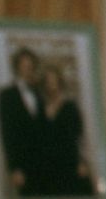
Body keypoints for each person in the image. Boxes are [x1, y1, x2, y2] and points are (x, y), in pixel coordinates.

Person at [34, 66, 93, 196]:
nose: (51, 84)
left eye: (54, 80)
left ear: (60, 82)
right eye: (48, 81)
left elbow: (78, 137)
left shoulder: (70, 107)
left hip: (69, 162)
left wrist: (82, 162)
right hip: (48, 165)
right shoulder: (40, 109)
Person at [0, 48, 42, 195]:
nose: (28, 68)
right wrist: (14, 169)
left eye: (30, 64)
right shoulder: (6, 95)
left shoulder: (39, 91)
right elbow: (7, 133)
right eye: (24, 64)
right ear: (17, 67)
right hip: (22, 163)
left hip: (43, 162)